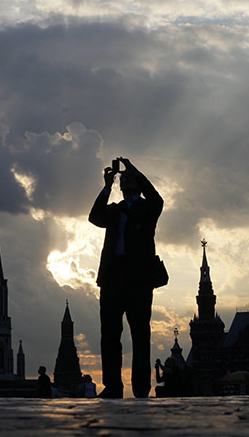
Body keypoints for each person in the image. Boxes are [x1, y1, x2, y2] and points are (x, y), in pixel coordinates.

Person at [89, 157, 164, 399]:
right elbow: (94, 216)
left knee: (140, 334)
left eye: (130, 178)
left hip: (139, 280)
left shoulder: (147, 209)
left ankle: (141, 386)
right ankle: (112, 386)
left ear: (139, 184)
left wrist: (136, 171)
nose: (126, 180)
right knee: (109, 334)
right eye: (125, 179)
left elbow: (157, 199)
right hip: (112, 279)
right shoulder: (115, 210)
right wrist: (107, 185)